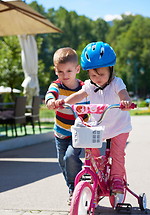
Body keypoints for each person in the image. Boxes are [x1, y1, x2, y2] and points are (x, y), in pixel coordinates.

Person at [54, 41, 133, 194]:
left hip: (119, 127)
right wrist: (63, 102)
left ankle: (117, 179)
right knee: (90, 151)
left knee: (117, 154)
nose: (97, 78)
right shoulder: (90, 85)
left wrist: (126, 101)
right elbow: (78, 95)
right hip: (98, 126)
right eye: (92, 75)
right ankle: (96, 173)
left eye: (101, 74)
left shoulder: (117, 83)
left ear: (111, 70)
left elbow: (124, 94)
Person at [45, 47, 89, 204]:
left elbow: (94, 102)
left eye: (69, 71)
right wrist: (51, 102)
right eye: (61, 72)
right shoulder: (57, 86)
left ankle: (76, 185)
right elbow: (50, 95)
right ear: (56, 71)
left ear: (77, 69)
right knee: (62, 161)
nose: (65, 76)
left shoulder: (85, 88)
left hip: (78, 133)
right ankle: (73, 186)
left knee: (70, 157)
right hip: (61, 132)